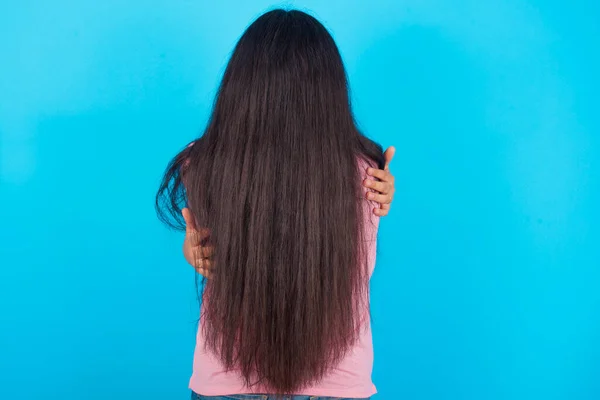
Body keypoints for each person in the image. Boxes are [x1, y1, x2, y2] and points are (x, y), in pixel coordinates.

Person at [156, 9, 397, 400]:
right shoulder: (367, 173)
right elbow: (360, 268)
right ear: (329, 91)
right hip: (335, 385)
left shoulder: (200, 163)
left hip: (225, 380)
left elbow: (202, 246)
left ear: (241, 87)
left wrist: (192, 250)